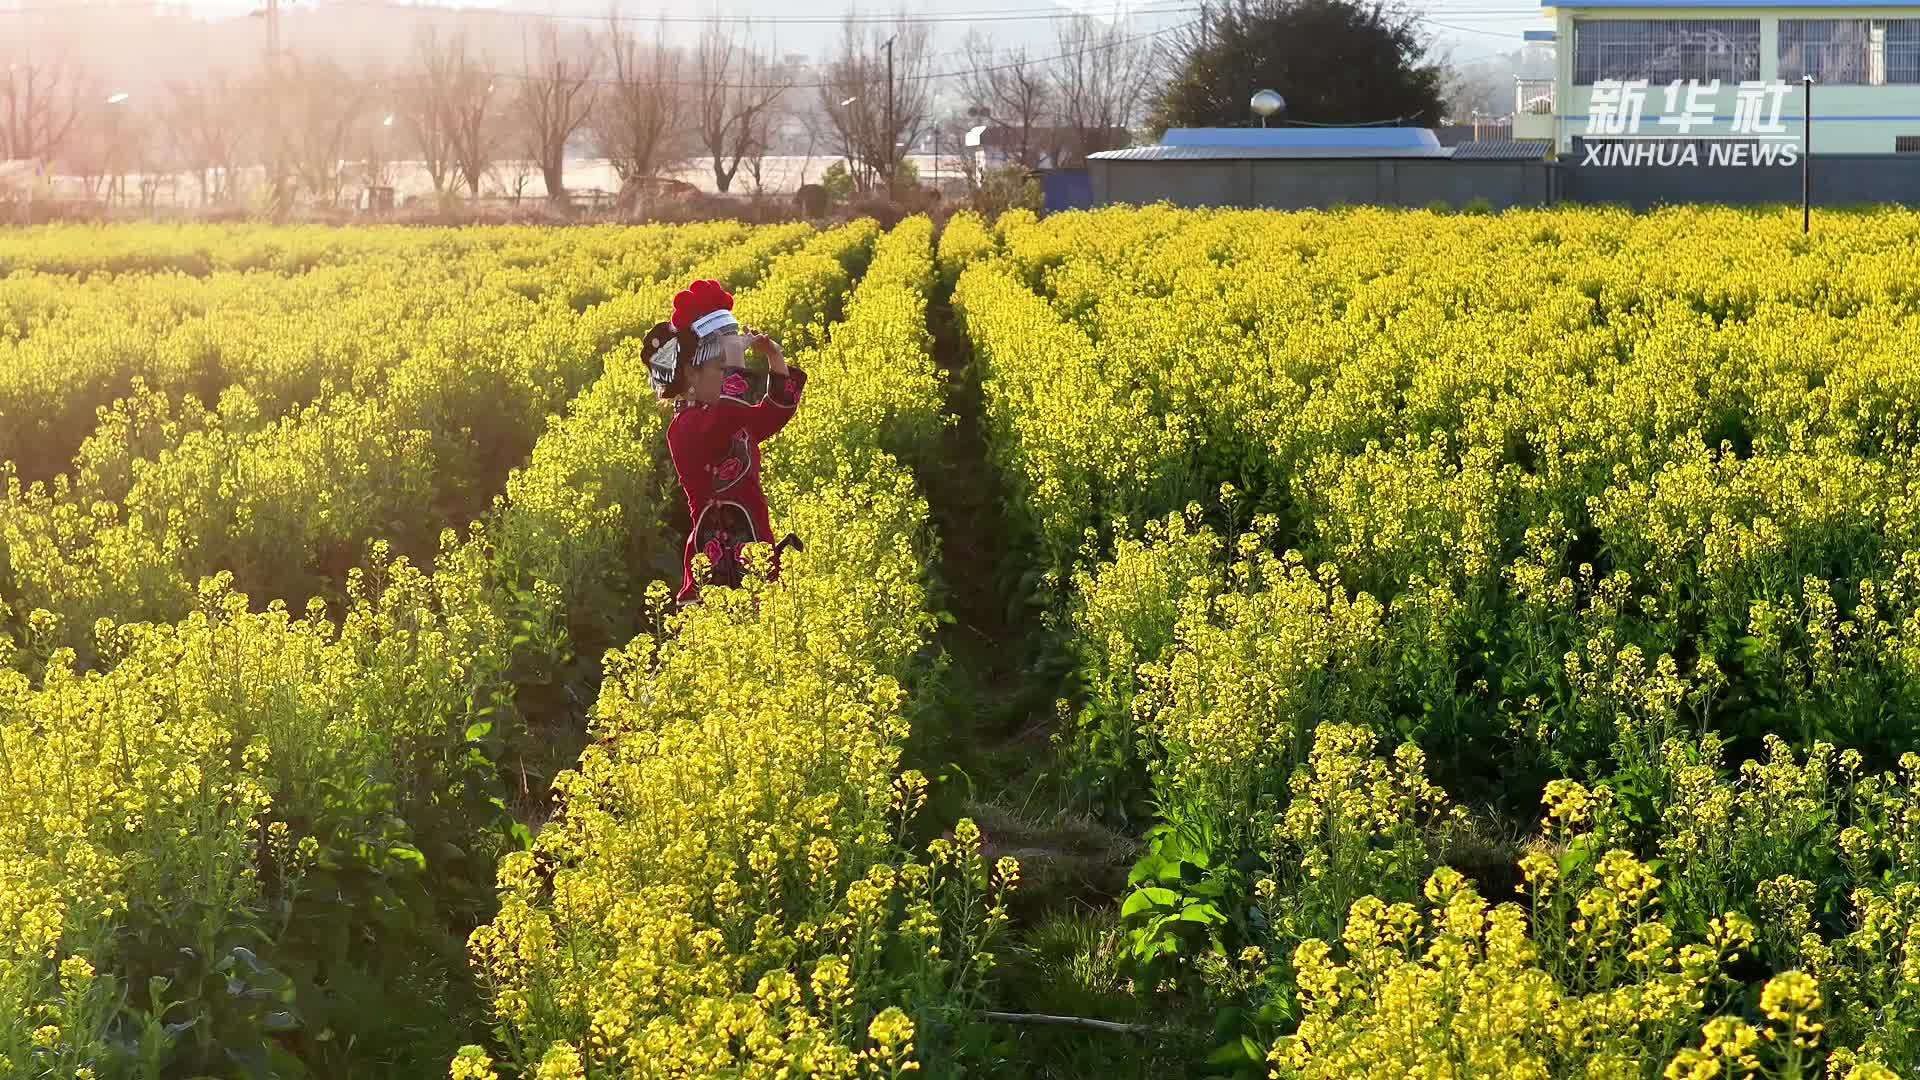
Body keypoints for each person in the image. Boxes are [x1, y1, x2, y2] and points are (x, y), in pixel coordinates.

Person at [642, 279, 807, 605]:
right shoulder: (685, 428)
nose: (726, 374)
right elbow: (731, 413)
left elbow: (772, 415)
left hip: (756, 553)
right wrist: (735, 351)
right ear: (691, 374)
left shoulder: (726, 418)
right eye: (721, 367)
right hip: (720, 570)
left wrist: (775, 357)